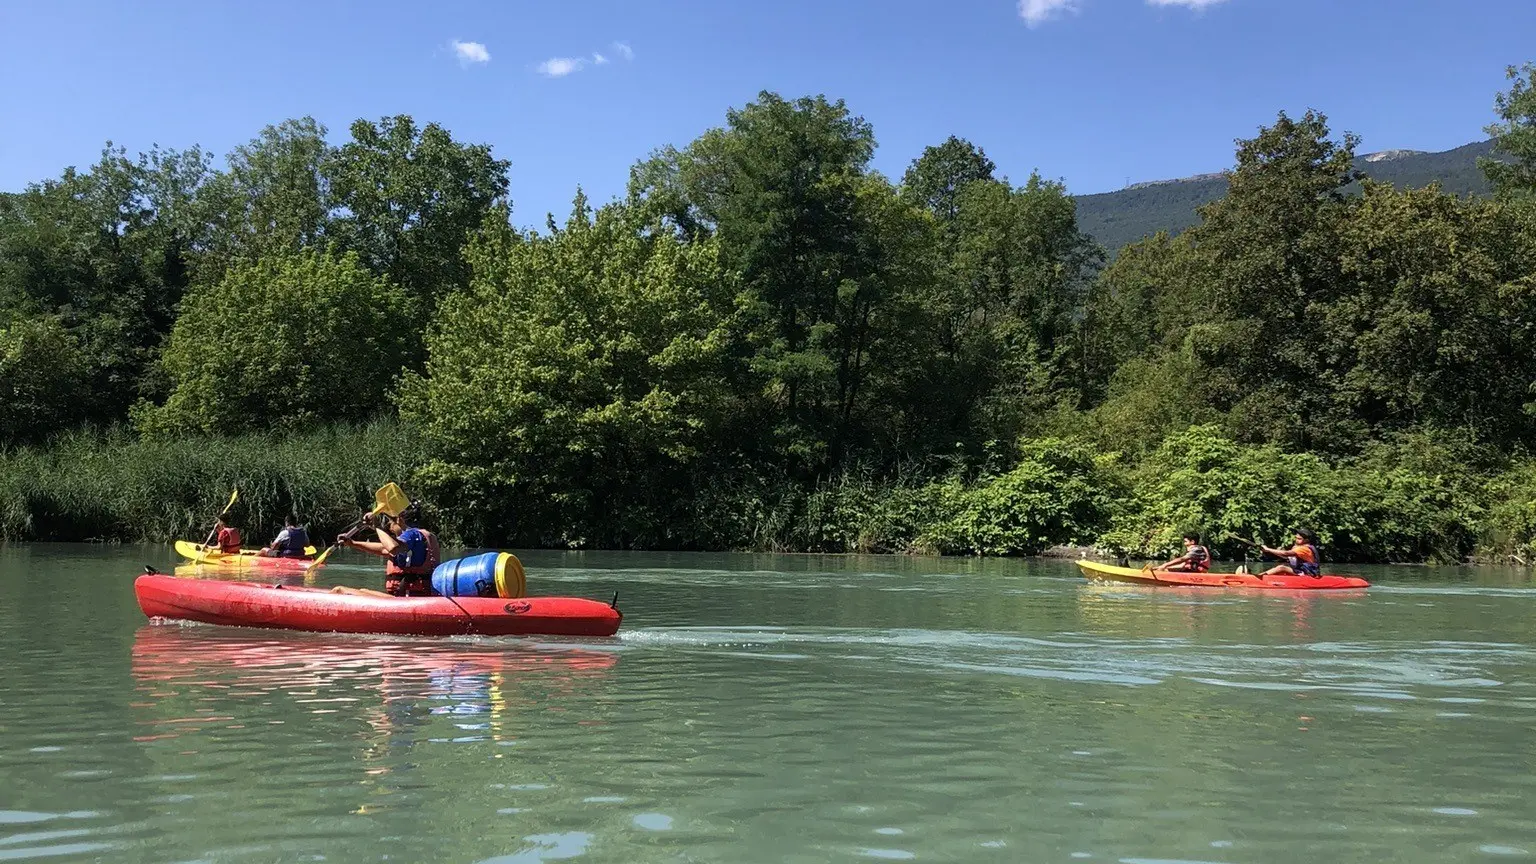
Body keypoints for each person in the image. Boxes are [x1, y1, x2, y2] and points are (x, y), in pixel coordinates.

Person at [332, 505, 440, 597]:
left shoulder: (411, 534)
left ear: (399, 519)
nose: (390, 528)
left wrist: (377, 527)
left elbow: (393, 548)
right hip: (415, 595)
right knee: (363, 591)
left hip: (408, 600)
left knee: (339, 591)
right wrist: (353, 543)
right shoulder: (424, 535)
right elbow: (385, 549)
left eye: (390, 524)